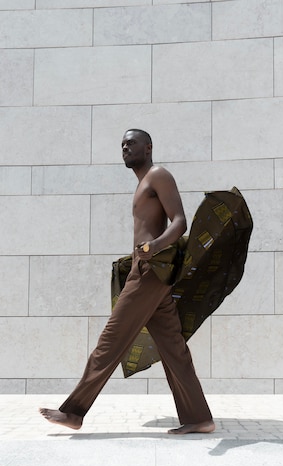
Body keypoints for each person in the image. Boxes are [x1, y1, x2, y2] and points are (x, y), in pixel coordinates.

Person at [39, 129, 215, 435]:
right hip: (146, 271)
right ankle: (199, 418)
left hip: (149, 273)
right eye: (122, 144)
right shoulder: (143, 183)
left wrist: (154, 247)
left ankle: (74, 412)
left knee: (110, 341)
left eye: (131, 143)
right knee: (174, 349)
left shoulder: (158, 175)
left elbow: (179, 221)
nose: (124, 147)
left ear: (148, 147)